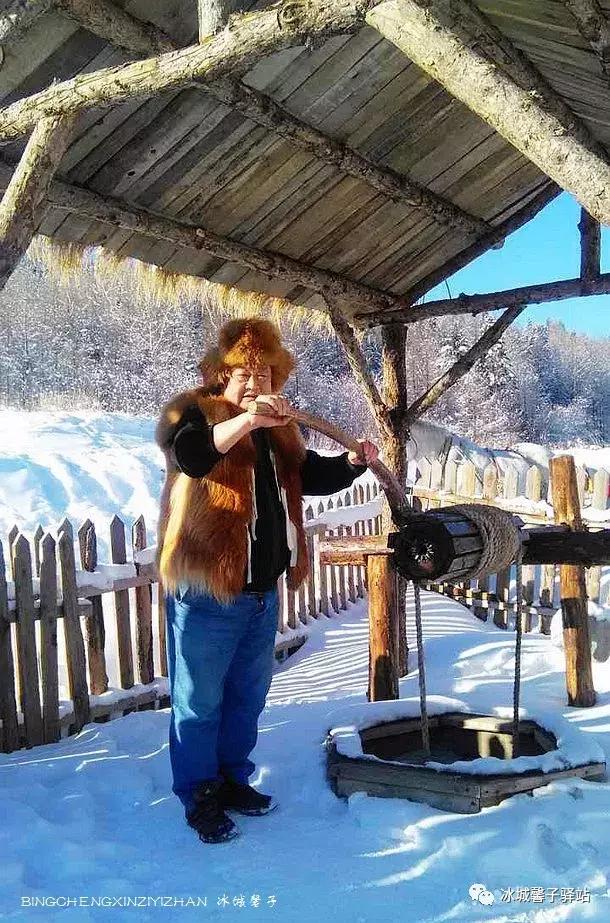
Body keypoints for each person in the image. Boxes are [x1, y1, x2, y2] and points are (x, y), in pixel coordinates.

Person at [155, 317, 378, 845]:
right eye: (244, 375)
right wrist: (246, 422)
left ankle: (233, 780)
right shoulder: (193, 413)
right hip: (207, 591)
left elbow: (308, 476)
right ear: (221, 375)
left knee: (246, 698)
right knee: (199, 702)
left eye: (265, 375)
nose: (256, 384)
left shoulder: (280, 429)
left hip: (260, 594)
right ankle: (200, 794)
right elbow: (193, 456)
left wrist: (351, 463)